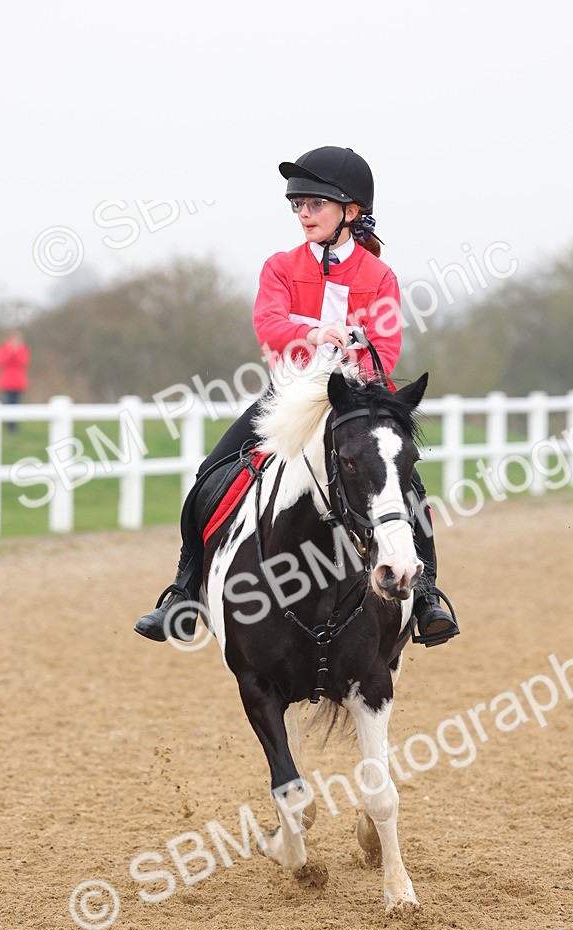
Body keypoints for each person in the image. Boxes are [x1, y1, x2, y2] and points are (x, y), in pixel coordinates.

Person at [134, 146, 459, 648]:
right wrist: (316, 334)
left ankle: (430, 593)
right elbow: (268, 325)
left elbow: (385, 351)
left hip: (354, 401)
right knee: (209, 475)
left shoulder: (380, 277)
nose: (304, 214)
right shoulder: (280, 267)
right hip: (288, 397)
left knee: (409, 486)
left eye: (315, 204)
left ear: (350, 212)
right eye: (298, 205)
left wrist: (350, 357)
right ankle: (185, 592)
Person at [0, 330, 29, 432]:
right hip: (7, 382)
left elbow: (23, 362)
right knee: (8, 402)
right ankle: (8, 425)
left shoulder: (23, 349)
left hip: (18, 382)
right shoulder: (4, 349)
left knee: (16, 403)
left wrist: (16, 352)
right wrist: (11, 352)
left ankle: (14, 425)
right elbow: (1, 361)